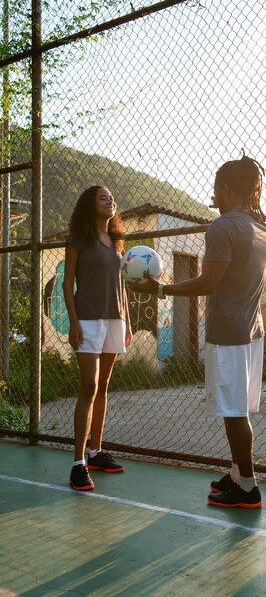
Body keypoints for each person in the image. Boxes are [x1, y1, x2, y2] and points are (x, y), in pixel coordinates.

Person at [131, 152, 266, 508]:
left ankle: (248, 489)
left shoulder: (223, 226)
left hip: (228, 331)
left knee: (234, 413)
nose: (213, 194)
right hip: (252, 329)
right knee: (236, 409)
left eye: (215, 187)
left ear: (225, 189)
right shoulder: (262, 227)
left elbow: (209, 282)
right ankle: (238, 474)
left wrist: (160, 289)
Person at [63, 185, 132, 491]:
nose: (109, 201)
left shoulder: (117, 241)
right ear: (89, 205)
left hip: (115, 320)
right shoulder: (78, 239)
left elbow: (122, 284)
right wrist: (73, 322)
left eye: (111, 197)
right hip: (87, 320)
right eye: (102, 197)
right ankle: (78, 464)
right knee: (89, 386)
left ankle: (96, 452)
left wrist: (127, 322)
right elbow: (67, 284)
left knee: (103, 387)